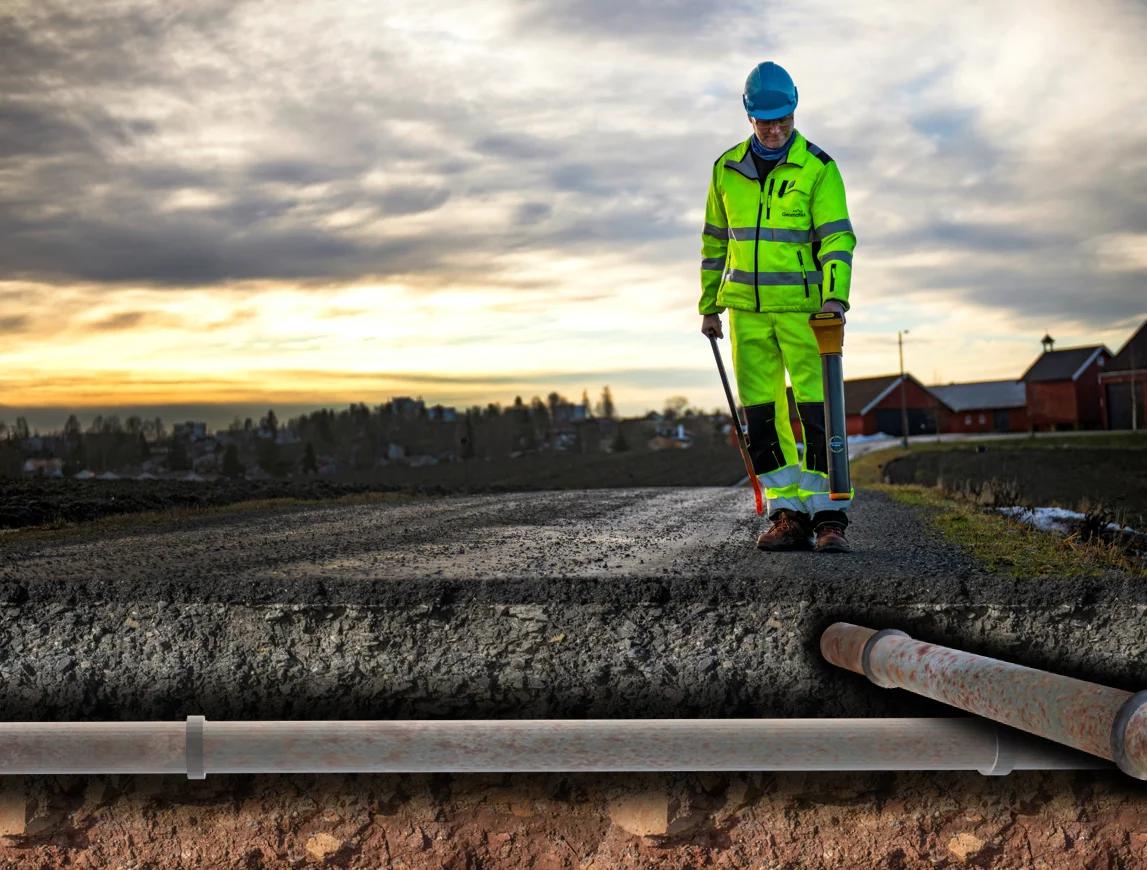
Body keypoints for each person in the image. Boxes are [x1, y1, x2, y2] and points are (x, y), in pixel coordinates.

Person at [699, 61, 857, 553]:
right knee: (762, 417)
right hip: (746, 312)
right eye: (765, 121)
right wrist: (709, 305)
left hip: (807, 313)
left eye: (783, 119)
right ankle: (786, 512)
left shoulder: (818, 168)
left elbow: (837, 238)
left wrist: (835, 297)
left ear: (795, 110)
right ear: (749, 117)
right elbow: (714, 241)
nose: (774, 129)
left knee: (818, 412)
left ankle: (829, 515)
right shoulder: (725, 170)